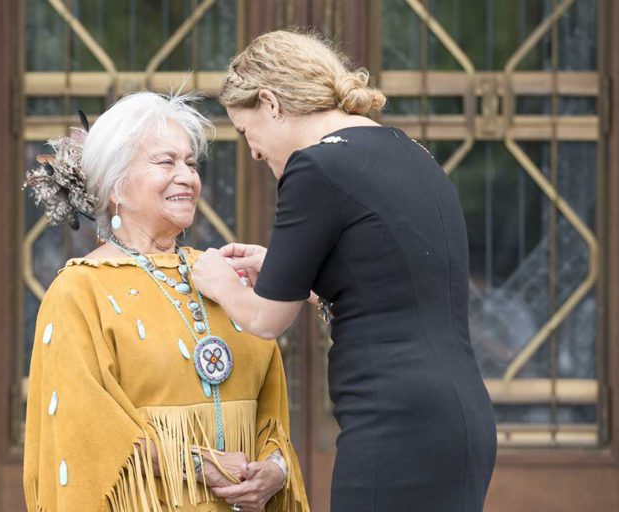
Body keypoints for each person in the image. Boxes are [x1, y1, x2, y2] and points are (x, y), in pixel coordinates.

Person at [192, 30, 497, 511]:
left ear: (270, 103)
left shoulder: (315, 167)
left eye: (245, 130)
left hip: (395, 421)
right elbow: (397, 279)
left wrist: (215, 279)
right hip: (462, 419)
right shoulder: (410, 151)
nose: (251, 152)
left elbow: (266, 320)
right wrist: (290, 274)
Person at [22, 91, 309, 512]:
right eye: (165, 162)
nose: (187, 176)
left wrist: (276, 467)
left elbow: (272, 407)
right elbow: (85, 429)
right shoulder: (79, 291)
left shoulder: (221, 276)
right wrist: (199, 465)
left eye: (191, 163)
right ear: (115, 185)